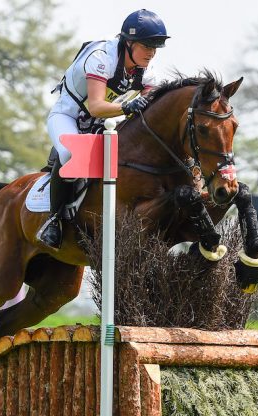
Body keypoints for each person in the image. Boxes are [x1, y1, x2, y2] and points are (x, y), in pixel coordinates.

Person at [38, 9, 168, 249]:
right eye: (147, 45)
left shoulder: (148, 72)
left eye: (156, 46)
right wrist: (128, 107)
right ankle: (53, 220)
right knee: (69, 154)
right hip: (69, 117)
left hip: (104, 125)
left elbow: (150, 107)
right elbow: (96, 106)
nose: (152, 53)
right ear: (128, 42)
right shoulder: (101, 58)